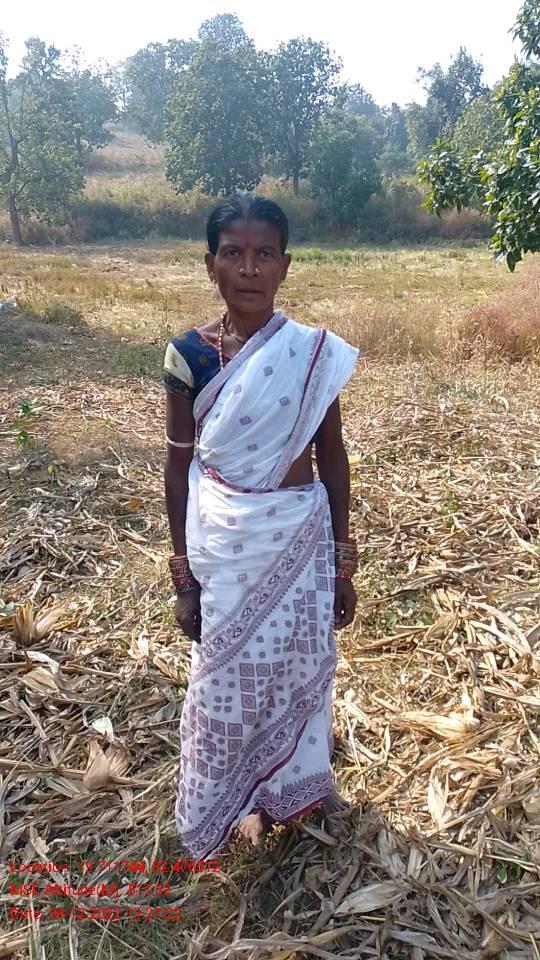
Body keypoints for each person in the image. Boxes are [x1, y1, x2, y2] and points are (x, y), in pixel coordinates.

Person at [163, 194, 359, 861]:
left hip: (299, 539)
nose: (249, 269)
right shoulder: (189, 356)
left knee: (301, 667)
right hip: (227, 546)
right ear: (210, 264)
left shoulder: (311, 355)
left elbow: (331, 457)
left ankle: (301, 785)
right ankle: (235, 801)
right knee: (224, 682)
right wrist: (183, 579)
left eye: (264, 254)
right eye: (233, 253)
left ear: (285, 265)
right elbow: (177, 467)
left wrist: (342, 561)